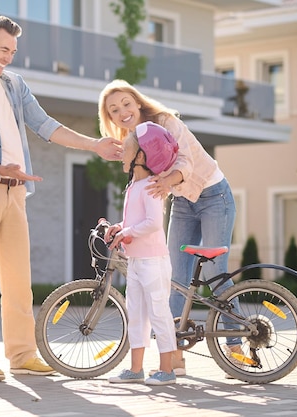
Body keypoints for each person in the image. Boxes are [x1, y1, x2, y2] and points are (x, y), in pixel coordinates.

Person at [0, 15, 122, 382]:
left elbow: (46, 126)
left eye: (13, 51)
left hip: (16, 194)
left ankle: (22, 354)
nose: (8, 57)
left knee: (17, 280)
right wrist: (0, 169)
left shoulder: (14, 85)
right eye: (3, 49)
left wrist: (95, 145)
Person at [98, 79, 241, 378]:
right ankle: (174, 356)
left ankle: (236, 347)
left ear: (137, 102)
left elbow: (186, 161)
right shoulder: (132, 140)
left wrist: (167, 181)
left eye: (126, 103)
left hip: (213, 194)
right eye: (114, 110)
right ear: (109, 118)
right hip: (182, 201)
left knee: (215, 272)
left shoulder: (164, 122)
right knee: (176, 276)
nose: (122, 111)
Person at [105, 122, 179, 386]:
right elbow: (135, 223)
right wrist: (120, 228)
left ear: (140, 156)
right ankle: (136, 369)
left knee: (159, 312)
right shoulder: (133, 186)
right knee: (135, 312)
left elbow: (153, 223)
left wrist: (128, 232)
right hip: (135, 261)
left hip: (153, 261)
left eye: (126, 150)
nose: (122, 154)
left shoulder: (151, 185)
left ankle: (167, 370)